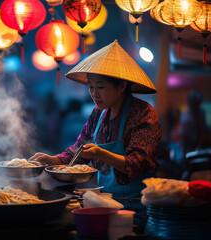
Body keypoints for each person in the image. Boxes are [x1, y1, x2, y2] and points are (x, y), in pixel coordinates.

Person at [30, 40, 162, 229]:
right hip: (105, 204)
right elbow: (78, 150)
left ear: (122, 86)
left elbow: (136, 163)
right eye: (91, 87)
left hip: (139, 208)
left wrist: (99, 153)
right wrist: (53, 160)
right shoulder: (98, 113)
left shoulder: (143, 114)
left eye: (100, 87)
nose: (94, 93)